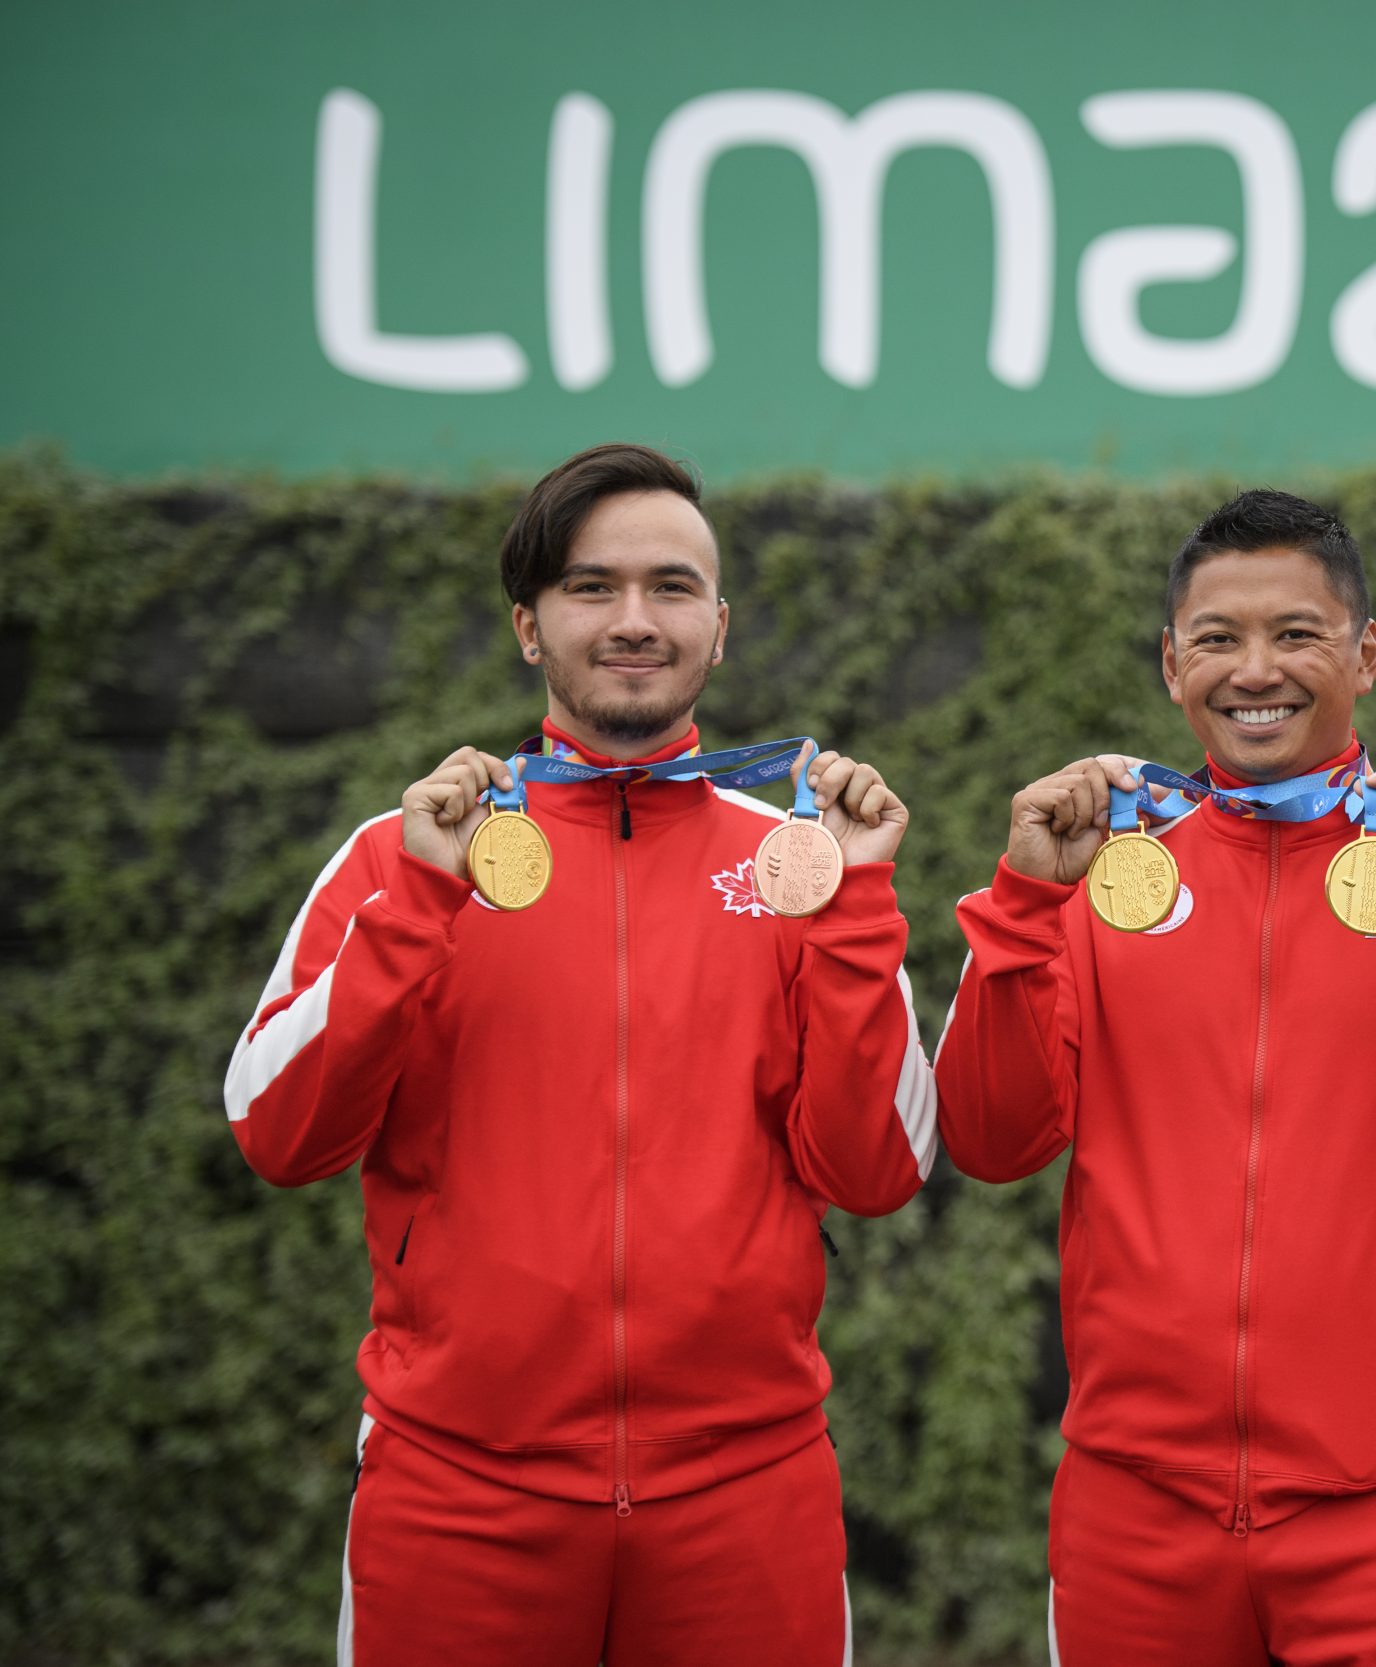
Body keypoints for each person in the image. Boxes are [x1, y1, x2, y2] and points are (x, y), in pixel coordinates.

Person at [223, 442, 935, 1667]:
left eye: (670, 587)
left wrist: (856, 913)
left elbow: (877, 1168)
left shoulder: (802, 864)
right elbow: (279, 1134)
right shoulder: (402, 856)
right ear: (528, 626)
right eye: (590, 587)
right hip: (456, 1490)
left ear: (720, 627)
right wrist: (415, 910)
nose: (633, 620)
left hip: (742, 1488)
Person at [934, 489, 1376, 1666]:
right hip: (1135, 1507)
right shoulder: (1099, 876)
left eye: (1296, 634)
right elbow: (994, 1138)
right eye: (1218, 638)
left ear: (1364, 654)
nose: (1257, 669)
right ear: (1170, 663)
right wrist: (1023, 907)